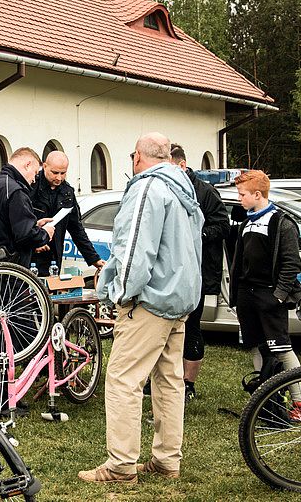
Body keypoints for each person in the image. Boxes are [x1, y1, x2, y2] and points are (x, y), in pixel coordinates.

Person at [78, 132, 203, 484]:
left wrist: (120, 293)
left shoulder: (147, 187)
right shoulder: (183, 188)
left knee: (123, 380)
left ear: (137, 157)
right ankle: (166, 460)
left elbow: (134, 248)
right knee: (170, 382)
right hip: (179, 300)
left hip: (149, 300)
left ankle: (120, 466)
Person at [0, 147, 55, 415]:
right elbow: (24, 234)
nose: (35, 180)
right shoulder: (15, 190)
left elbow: (2, 227)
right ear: (27, 164)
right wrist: (44, 233)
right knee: (6, 337)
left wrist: (32, 226)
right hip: (5, 273)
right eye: (35, 173)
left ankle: (2, 395)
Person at [230, 170, 301, 420]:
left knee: (282, 349)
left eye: (242, 195)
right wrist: (236, 296)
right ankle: (263, 401)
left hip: (270, 296)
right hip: (247, 295)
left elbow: (291, 263)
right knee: (255, 346)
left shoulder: (281, 223)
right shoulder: (246, 223)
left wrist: (279, 296)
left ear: (257, 194)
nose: (239, 199)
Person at [169, 144, 228, 402]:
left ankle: (188, 383)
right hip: (171, 271)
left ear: (182, 165)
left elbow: (223, 226)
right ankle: (165, 378)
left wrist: (197, 234)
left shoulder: (205, 191)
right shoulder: (167, 188)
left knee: (191, 326)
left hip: (198, 270)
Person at [29, 150, 105, 276]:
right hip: (30, 257)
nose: (59, 178)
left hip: (54, 257)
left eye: (63, 173)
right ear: (45, 166)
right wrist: (33, 243)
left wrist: (94, 259)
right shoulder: (31, 186)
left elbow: (76, 229)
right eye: (55, 173)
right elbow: (20, 223)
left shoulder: (67, 192)